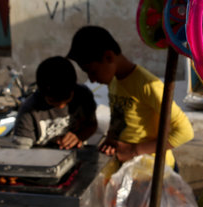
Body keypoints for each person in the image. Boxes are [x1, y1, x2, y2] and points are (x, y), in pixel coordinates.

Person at [67, 25, 194, 169]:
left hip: (155, 170)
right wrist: (111, 138)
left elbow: (185, 132)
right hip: (130, 168)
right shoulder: (114, 81)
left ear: (108, 57)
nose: (92, 80)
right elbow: (120, 117)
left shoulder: (147, 85)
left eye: (92, 72)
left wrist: (134, 150)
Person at [13, 56, 98, 149]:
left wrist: (78, 136)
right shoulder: (29, 111)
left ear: (73, 88)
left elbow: (91, 125)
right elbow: (21, 152)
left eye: (67, 99)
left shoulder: (83, 95)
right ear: (42, 93)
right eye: (52, 101)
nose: (61, 106)